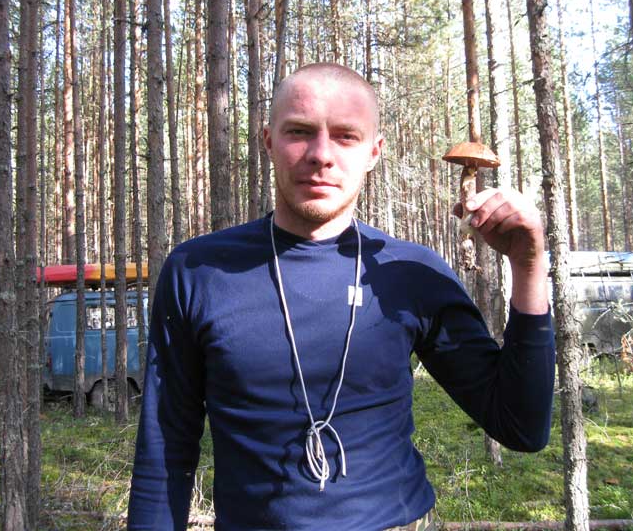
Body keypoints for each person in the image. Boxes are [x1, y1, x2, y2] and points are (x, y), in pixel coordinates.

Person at [128, 63, 555, 531]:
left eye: (346, 136)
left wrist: (528, 266)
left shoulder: (410, 274)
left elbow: (521, 426)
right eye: (299, 132)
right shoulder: (199, 271)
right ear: (268, 141)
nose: (321, 155)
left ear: (374, 152)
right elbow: (165, 445)